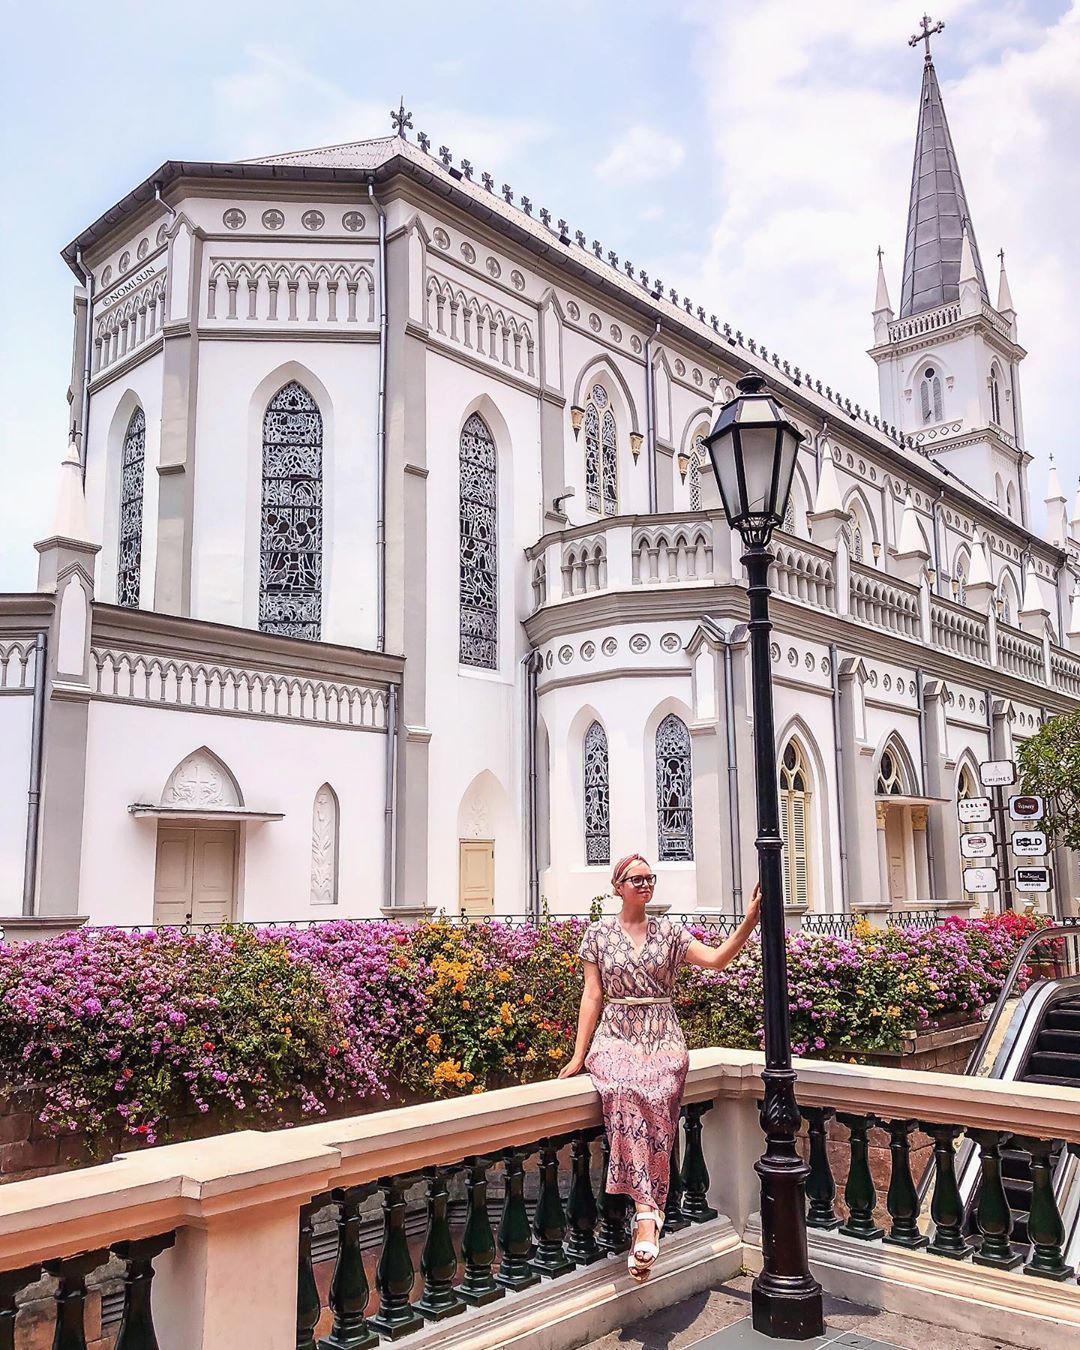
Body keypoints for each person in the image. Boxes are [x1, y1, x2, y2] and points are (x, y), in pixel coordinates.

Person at [559, 853, 761, 1281]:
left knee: (656, 1089)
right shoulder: (597, 935)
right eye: (637, 879)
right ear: (618, 886)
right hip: (615, 1033)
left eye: (650, 878)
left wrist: (748, 922)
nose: (645, 884)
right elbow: (592, 996)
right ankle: (647, 1213)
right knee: (621, 1091)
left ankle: (647, 1212)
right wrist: (578, 1055)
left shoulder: (669, 932)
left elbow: (716, 960)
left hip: (661, 1032)